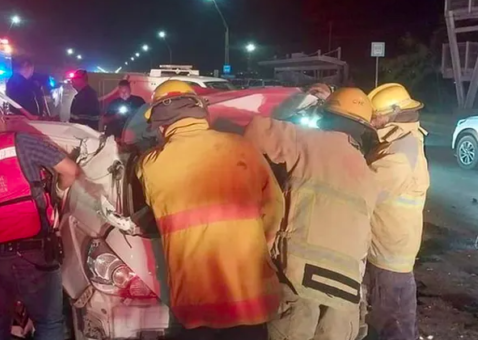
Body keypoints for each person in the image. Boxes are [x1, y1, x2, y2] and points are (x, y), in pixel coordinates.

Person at [136, 81, 282, 340]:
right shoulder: (243, 148)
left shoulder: (149, 165)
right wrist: (258, 246)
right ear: (200, 111)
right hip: (249, 297)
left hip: (196, 302)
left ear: (160, 125)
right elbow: (274, 207)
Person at [244, 87, 379, 340]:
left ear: (325, 116)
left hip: (300, 280)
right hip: (346, 292)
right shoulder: (369, 175)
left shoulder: (306, 141)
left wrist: (298, 104)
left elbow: (255, 130)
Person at [0, 97, 80, 340]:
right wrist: (60, 195)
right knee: (49, 324)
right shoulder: (18, 141)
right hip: (29, 254)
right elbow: (71, 171)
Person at [364, 83, 430, 340]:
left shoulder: (398, 154)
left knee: (393, 326)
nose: (372, 120)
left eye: (376, 115)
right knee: (395, 321)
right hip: (391, 251)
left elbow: (363, 192)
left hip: (388, 257)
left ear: (394, 112)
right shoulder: (400, 140)